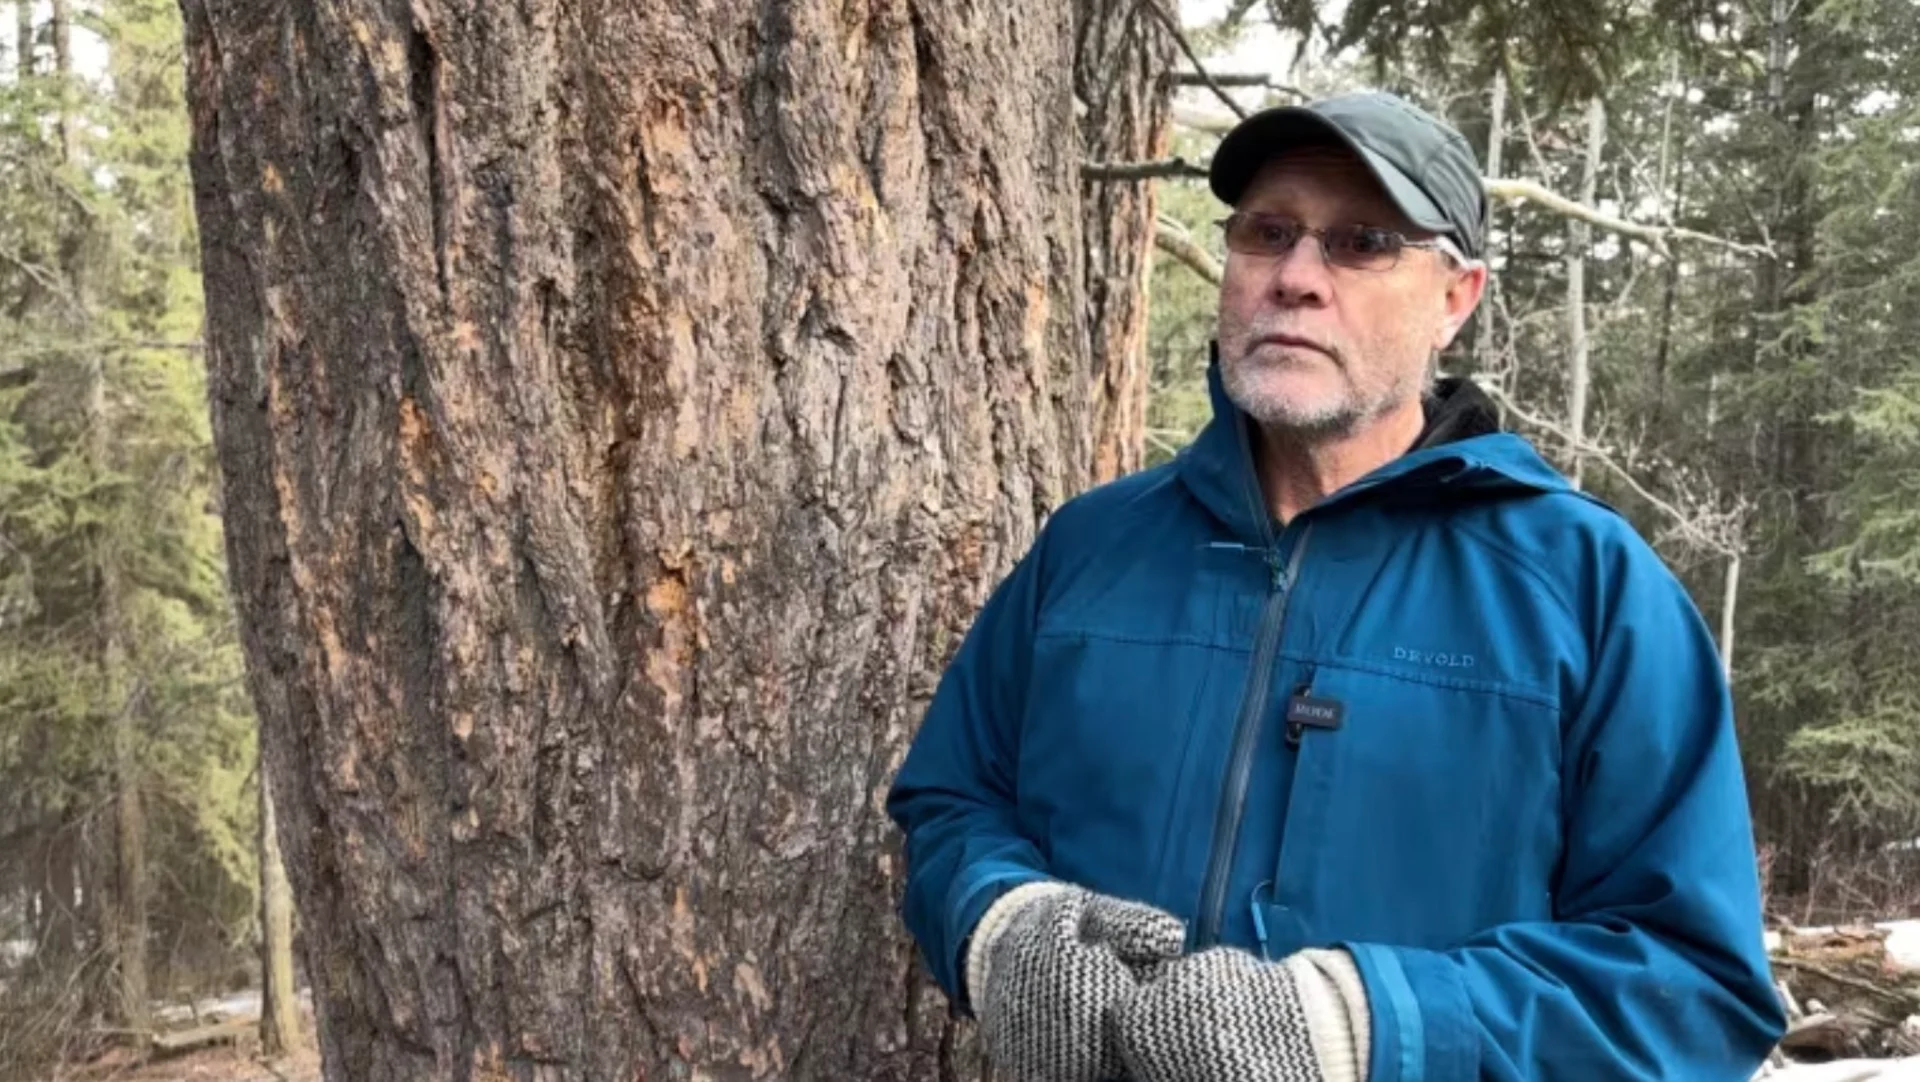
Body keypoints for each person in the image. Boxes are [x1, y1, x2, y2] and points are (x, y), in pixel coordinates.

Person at [885, 90, 1786, 1082]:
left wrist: (1370, 1023)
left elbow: (1694, 984)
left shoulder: (1587, 587)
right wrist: (1001, 918)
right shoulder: (1091, 549)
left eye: (1361, 243)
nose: (1297, 279)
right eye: (1268, 234)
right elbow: (951, 800)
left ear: (1457, 297)